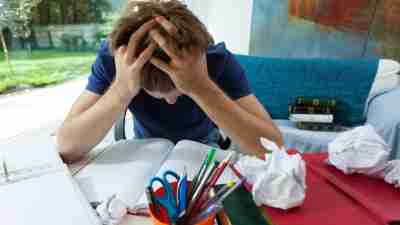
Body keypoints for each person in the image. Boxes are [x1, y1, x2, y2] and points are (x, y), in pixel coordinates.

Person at [56, 0, 283, 163]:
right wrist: (121, 90)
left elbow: (273, 149)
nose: (172, 102)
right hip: (144, 149)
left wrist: (202, 88)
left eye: (180, 91)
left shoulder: (217, 60)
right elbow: (66, 147)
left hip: (204, 146)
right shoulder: (116, 60)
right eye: (161, 94)